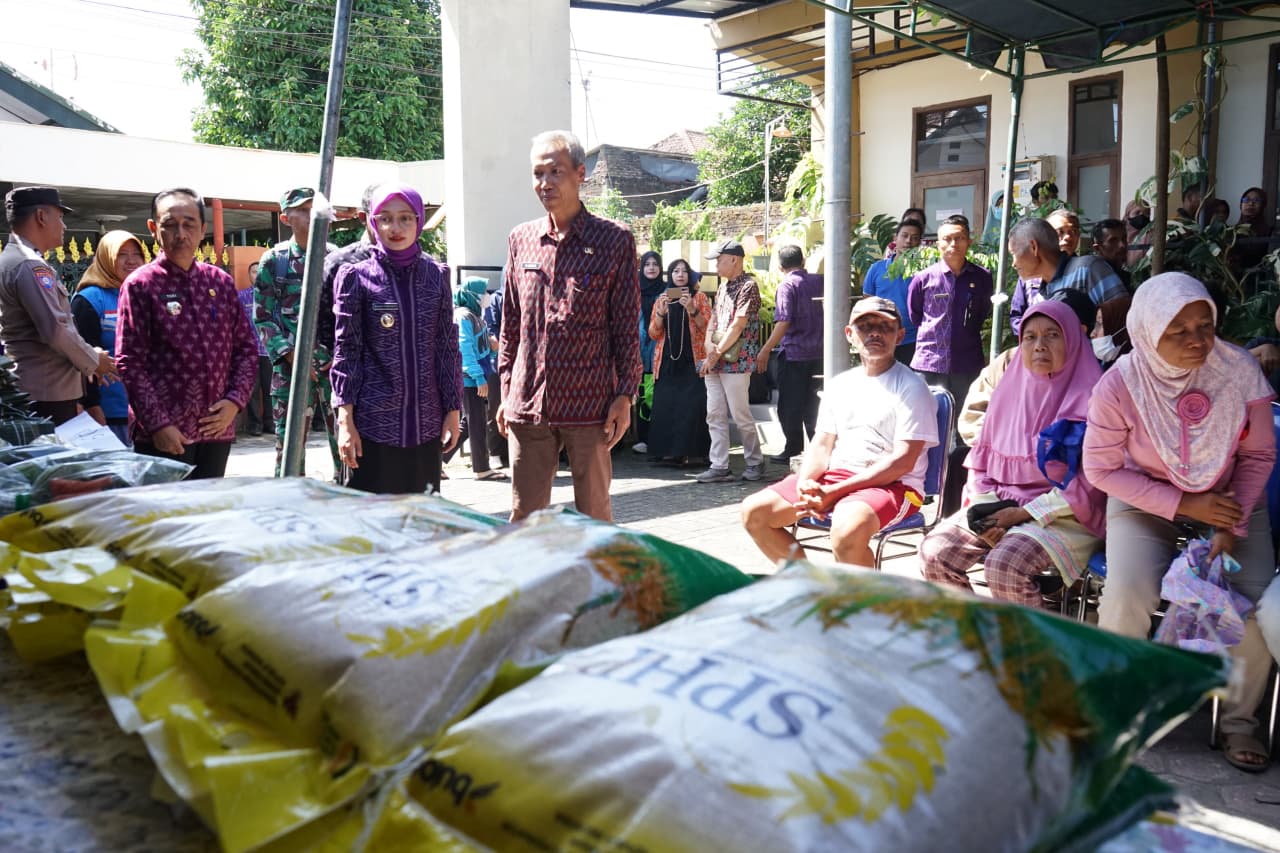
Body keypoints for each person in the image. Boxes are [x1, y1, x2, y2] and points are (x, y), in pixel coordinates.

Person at [1084, 272, 1277, 773]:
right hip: (1144, 498)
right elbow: (1101, 469)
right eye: (1178, 330)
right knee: (1128, 592)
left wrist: (1230, 521)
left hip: (1233, 499)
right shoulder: (1120, 384)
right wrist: (1187, 505)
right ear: (1149, 331)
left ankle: (1239, 720)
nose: (1197, 340)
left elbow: (1258, 455)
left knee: (1253, 600)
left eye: (1204, 325)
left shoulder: (1239, 370)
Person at [919, 300, 1104, 606]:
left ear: (1073, 340)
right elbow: (981, 465)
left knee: (1005, 565)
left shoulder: (1095, 399)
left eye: (1052, 335)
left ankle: (1026, 639)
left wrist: (1021, 515)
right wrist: (986, 516)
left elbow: (1090, 484)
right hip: (1001, 503)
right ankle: (976, 630)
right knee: (935, 553)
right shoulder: (1008, 392)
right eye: (1030, 337)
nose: (1039, 345)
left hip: (1064, 515)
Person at [496, 130, 641, 522]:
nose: (545, 183)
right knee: (525, 515)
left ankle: (598, 568)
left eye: (555, 172)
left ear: (580, 173)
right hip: (529, 401)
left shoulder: (614, 240)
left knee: (594, 516)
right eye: (537, 173)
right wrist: (507, 390)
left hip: (590, 405)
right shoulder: (521, 239)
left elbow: (626, 325)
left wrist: (625, 395)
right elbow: (511, 323)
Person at [740, 296, 937, 566]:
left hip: (895, 486)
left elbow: (902, 462)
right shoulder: (840, 384)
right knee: (755, 512)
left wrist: (834, 492)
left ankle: (861, 595)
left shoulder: (912, 387)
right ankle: (809, 584)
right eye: (865, 326)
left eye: (885, 327)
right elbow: (821, 444)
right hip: (836, 477)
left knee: (846, 531)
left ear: (900, 335)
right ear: (849, 334)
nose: (875, 333)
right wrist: (806, 483)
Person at [116, 188, 259, 478]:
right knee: (167, 507)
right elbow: (129, 362)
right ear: (153, 228)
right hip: (165, 435)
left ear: (203, 229)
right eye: (170, 225)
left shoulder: (220, 282)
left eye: (189, 224)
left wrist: (235, 402)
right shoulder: (140, 285)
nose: (180, 234)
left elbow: (246, 348)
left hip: (217, 429)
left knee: (210, 505)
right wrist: (158, 424)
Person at [330, 184, 460, 494]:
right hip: (371, 428)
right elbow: (346, 353)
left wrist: (453, 409)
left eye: (405, 218)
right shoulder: (356, 277)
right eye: (385, 218)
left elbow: (446, 347)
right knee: (373, 518)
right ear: (373, 223)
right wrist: (345, 420)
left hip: (426, 425)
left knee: (420, 516)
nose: (395, 228)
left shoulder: (436, 275)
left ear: (418, 221)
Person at [0, 186, 117, 425]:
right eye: (60, 217)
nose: (63, 226)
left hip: (34, 387)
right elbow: (56, 330)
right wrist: (94, 359)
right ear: (41, 217)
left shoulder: (12, 260)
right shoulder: (30, 266)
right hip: (46, 393)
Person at [254, 187, 340, 477]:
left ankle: (347, 497)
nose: (311, 216)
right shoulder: (274, 261)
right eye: (303, 211)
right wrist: (293, 357)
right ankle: (291, 498)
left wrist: (339, 354)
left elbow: (349, 316)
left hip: (334, 370)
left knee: (346, 445)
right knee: (290, 450)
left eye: (315, 210)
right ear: (285, 218)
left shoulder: (337, 259)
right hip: (290, 372)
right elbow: (263, 317)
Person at [697, 239, 765, 484]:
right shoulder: (723, 288)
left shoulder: (749, 286)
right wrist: (709, 348)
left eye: (719, 259)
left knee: (740, 414)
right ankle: (719, 465)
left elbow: (738, 325)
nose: (716, 264)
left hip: (737, 361)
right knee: (714, 414)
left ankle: (755, 462)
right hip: (716, 359)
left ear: (734, 259)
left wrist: (714, 353)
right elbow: (713, 321)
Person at [907, 214, 992, 408]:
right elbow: (915, 315)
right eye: (947, 239)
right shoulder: (923, 279)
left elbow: (982, 312)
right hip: (930, 362)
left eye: (959, 238)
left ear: (969, 241)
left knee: (965, 416)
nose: (953, 244)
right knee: (929, 416)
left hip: (967, 362)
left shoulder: (982, 277)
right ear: (938, 244)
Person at [70, 230, 145, 445]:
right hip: (111, 413)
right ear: (106, 258)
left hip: (150, 411)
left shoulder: (146, 294)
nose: (131, 261)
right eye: (122, 254)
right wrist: (91, 405)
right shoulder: (90, 300)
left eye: (137, 254)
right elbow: (82, 359)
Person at [757, 243, 823, 464]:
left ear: (780, 266)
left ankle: (793, 448)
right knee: (815, 405)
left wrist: (766, 349)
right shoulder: (820, 281)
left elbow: (783, 320)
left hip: (794, 354)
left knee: (790, 406)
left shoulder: (787, 286)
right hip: (820, 352)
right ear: (803, 262)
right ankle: (819, 451)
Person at [1007, 218, 1127, 336]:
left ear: (1033, 247)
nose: (1013, 264)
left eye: (1014, 253)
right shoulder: (1038, 291)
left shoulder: (1088, 269)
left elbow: (1123, 316)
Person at [647, 258, 711, 466]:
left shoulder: (699, 297)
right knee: (667, 405)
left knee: (692, 406)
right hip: (667, 361)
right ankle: (669, 453)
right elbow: (653, 333)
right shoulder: (662, 298)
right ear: (670, 275)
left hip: (692, 360)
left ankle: (694, 452)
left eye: (684, 271)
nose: (680, 275)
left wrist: (692, 309)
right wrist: (660, 313)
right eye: (676, 271)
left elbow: (707, 328)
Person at [443, 276, 505, 481]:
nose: (486, 296)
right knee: (476, 423)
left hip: (475, 377)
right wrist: (478, 377)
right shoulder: (464, 316)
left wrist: (493, 348)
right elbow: (464, 349)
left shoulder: (474, 316)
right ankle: (482, 469)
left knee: (469, 423)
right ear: (472, 295)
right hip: (470, 379)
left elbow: (481, 349)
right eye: (482, 292)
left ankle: (436, 460)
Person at [863, 218, 923, 365]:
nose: (908, 241)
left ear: (919, 243)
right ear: (895, 238)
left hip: (914, 340)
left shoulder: (923, 272)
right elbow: (867, 303)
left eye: (914, 238)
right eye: (904, 236)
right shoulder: (876, 269)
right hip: (882, 338)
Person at [633, 249, 664, 454]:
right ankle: (643, 438)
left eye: (655, 264)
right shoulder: (633, 289)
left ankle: (658, 438)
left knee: (659, 394)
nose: (651, 268)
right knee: (643, 394)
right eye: (647, 264)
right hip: (638, 349)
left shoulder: (667, 289)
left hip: (660, 350)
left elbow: (690, 288)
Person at [482, 278, 508, 468]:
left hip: (522, 361)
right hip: (497, 363)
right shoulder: (496, 300)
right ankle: (495, 452)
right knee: (495, 407)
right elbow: (493, 333)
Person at [1090, 218, 1129, 285]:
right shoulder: (1091, 280)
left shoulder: (1129, 279)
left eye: (1124, 239)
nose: (1122, 245)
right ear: (1097, 248)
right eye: (1113, 241)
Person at [1124, 198, 1152, 268]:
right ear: (1128, 215)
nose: (1141, 216)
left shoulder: (1153, 234)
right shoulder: (1119, 234)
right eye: (1137, 212)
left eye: (1146, 213)